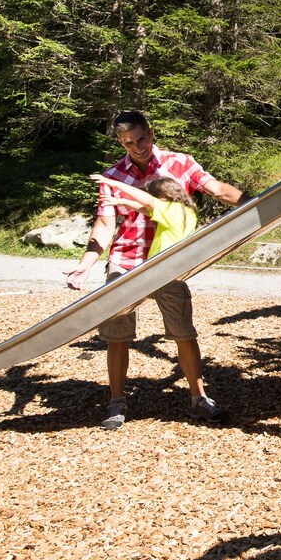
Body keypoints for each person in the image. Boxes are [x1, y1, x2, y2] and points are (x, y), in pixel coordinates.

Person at [64, 111, 243, 430]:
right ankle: (117, 401)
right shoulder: (114, 174)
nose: (138, 147)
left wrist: (256, 204)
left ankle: (199, 398)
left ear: (152, 131)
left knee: (182, 331)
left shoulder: (180, 163)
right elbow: (106, 224)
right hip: (126, 258)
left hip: (167, 260)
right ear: (121, 141)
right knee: (117, 333)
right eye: (129, 142)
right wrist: (85, 264)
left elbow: (216, 189)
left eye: (142, 138)